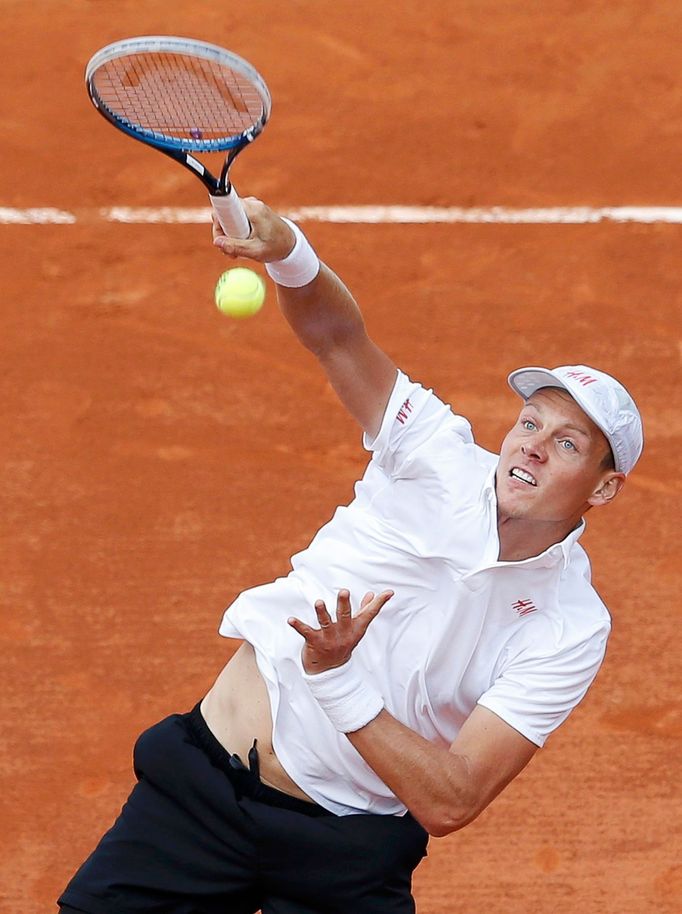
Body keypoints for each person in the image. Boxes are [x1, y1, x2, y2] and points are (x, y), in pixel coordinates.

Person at [58, 200, 643, 914]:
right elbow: (337, 337)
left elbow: (453, 799)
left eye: (567, 444)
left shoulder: (569, 625)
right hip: (204, 791)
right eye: (530, 422)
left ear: (604, 488)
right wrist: (289, 253)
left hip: (345, 855)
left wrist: (338, 681)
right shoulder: (430, 451)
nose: (531, 445)